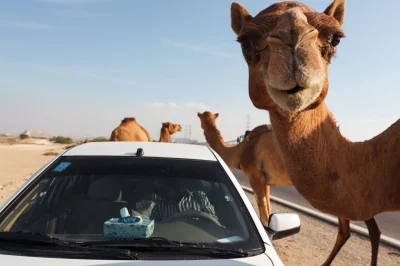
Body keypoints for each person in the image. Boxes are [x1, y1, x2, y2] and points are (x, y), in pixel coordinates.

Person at [147, 178, 218, 222]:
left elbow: (213, 220)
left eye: (162, 190)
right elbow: (152, 228)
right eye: (156, 191)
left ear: (174, 185)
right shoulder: (159, 205)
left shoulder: (199, 196)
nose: (159, 193)